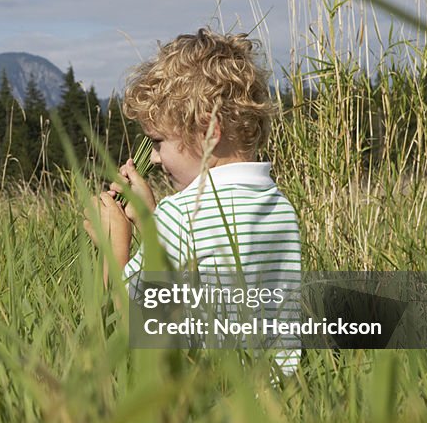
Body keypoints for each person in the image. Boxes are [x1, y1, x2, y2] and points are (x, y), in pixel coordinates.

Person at [83, 29, 302, 372]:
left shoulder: (182, 213)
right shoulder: (277, 206)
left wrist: (115, 247)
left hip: (210, 400)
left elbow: (135, 323)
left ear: (208, 133)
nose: (154, 159)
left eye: (158, 142)